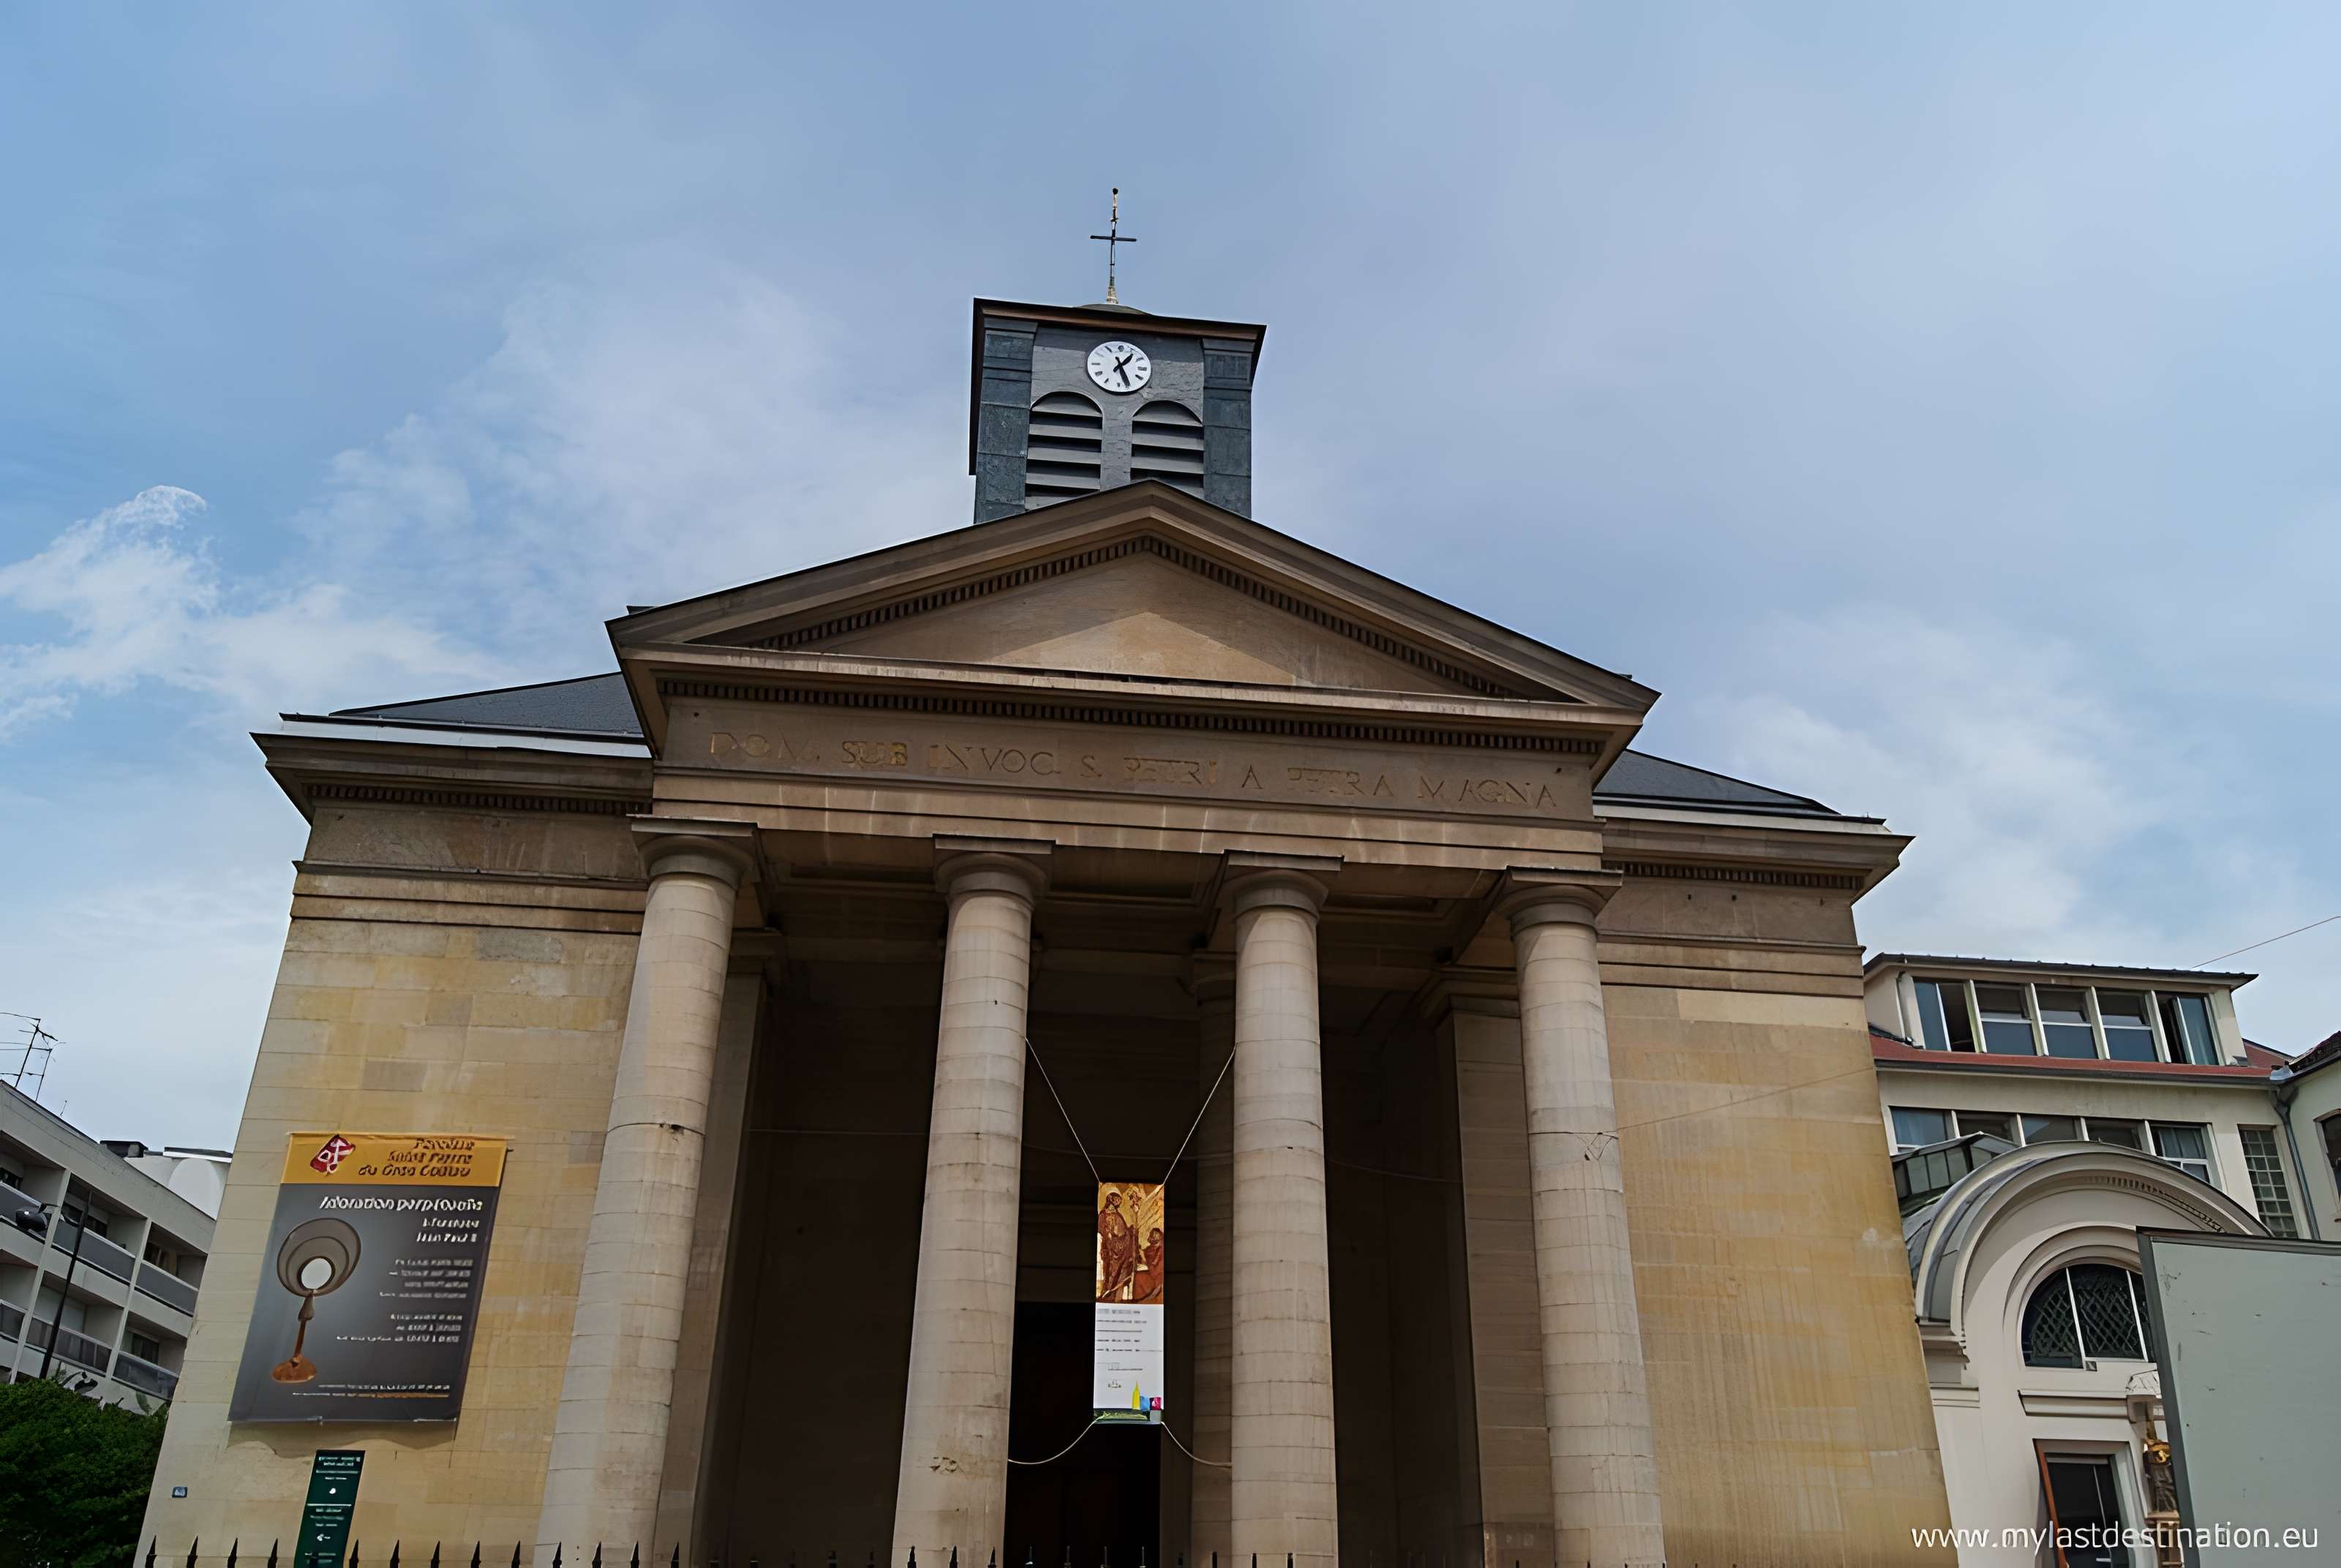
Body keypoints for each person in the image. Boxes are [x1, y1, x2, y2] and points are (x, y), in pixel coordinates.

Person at [1097, 1190, 1141, 1300]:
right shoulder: (1103, 1215)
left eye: (1119, 1200)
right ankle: (1108, 1293)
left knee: (1118, 1269)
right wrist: (1112, 1236)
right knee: (1110, 1271)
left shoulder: (1117, 1215)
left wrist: (1129, 1232)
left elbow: (1123, 1231)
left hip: (1118, 1247)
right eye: (1116, 1199)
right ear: (1110, 1199)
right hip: (1111, 1248)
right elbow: (1104, 1231)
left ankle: (1113, 1293)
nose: (1118, 1202)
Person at [1133, 1226, 1166, 1303]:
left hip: (1156, 1281)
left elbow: (1154, 1274)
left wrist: (1145, 1260)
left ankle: (1138, 1301)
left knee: (1138, 1277)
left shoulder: (1162, 1253)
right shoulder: (1151, 1248)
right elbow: (1145, 1253)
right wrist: (1139, 1252)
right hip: (1150, 1273)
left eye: (1157, 1242)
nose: (1154, 1245)